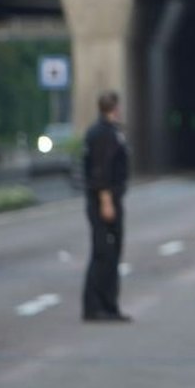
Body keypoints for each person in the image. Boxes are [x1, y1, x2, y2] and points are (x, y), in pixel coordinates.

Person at [82, 89, 131, 322]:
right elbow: (100, 170)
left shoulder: (108, 131)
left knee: (110, 254)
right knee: (104, 253)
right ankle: (96, 306)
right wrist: (106, 201)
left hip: (109, 199)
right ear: (114, 108)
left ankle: (109, 305)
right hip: (105, 201)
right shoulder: (103, 134)